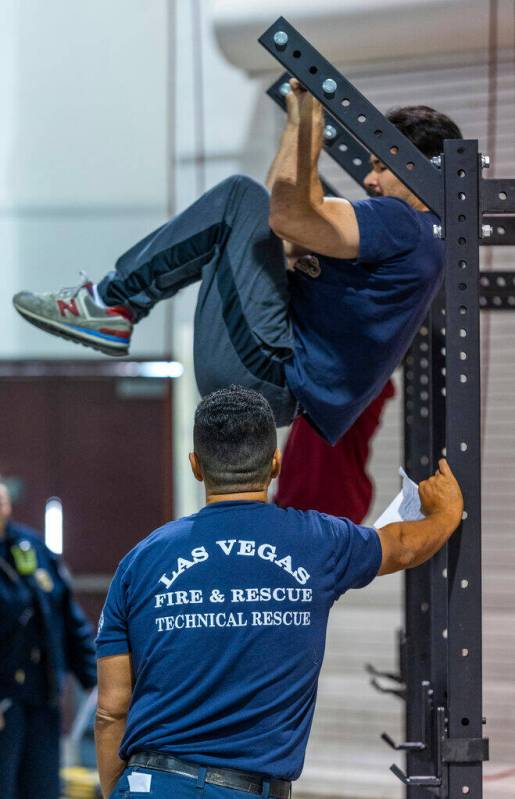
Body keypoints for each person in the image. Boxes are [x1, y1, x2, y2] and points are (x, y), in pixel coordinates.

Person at [13, 85, 462, 444]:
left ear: (418, 168)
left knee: (238, 196)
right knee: (245, 203)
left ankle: (114, 304)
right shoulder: (410, 239)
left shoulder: (406, 224)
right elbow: (275, 232)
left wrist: (308, 133)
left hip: (268, 372)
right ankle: (114, 305)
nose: (369, 179)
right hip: (269, 377)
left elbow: (284, 216)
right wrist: (295, 131)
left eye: (382, 167)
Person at [95, 385, 464, 799]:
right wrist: (447, 512)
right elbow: (403, 545)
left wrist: (120, 792)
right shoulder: (317, 542)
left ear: (196, 466)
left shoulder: (140, 561)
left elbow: (112, 709)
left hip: (149, 784)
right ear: (275, 463)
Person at [0, 479, 97, 799]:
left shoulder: (30, 546)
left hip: (41, 695)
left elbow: (65, 615)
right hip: (4, 700)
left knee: (42, 789)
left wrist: (96, 678)